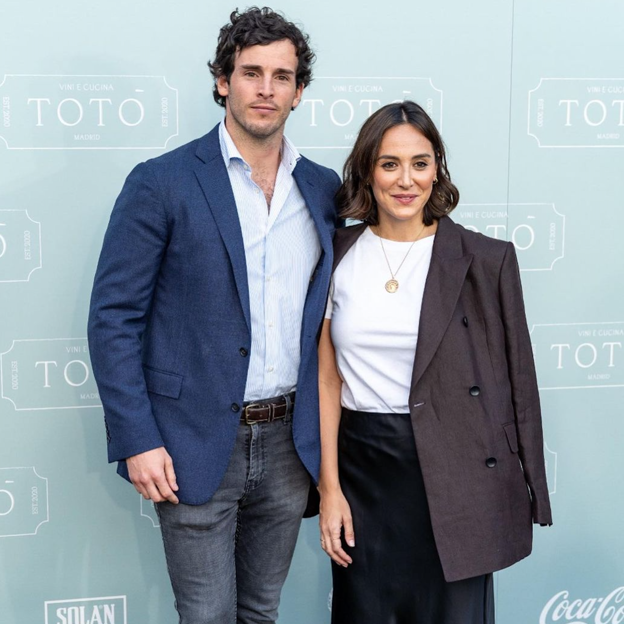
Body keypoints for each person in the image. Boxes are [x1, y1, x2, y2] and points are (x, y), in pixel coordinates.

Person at [88, 7, 341, 623]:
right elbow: (113, 317)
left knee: (260, 612)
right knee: (206, 616)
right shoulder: (162, 182)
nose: (266, 89)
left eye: (281, 76)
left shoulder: (323, 187)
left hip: (288, 443)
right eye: (251, 72)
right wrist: (139, 438)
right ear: (223, 81)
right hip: (191, 441)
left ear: (299, 91)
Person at [317, 100, 552, 623]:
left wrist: (531, 482)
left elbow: (520, 383)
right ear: (366, 171)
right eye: (389, 163)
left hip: (458, 470)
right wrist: (329, 490)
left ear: (437, 170)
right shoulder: (336, 254)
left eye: (420, 163)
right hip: (365, 472)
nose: (406, 180)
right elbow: (327, 380)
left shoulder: (485, 259)